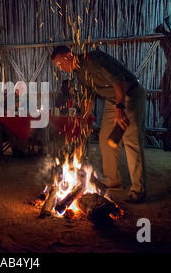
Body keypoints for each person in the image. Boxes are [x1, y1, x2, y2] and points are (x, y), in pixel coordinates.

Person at [51, 46, 146, 203]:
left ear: (69, 55)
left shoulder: (92, 59)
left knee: (131, 140)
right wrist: (84, 120)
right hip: (112, 100)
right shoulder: (79, 74)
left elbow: (119, 81)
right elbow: (89, 97)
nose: (61, 68)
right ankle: (112, 180)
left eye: (61, 64)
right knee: (105, 137)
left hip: (130, 94)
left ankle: (138, 189)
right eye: (58, 67)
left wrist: (120, 108)